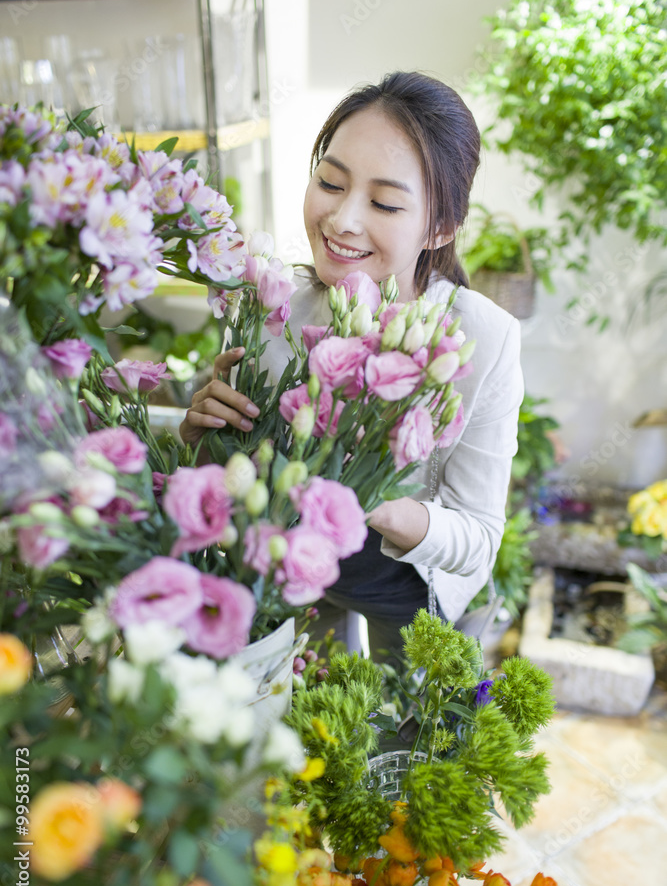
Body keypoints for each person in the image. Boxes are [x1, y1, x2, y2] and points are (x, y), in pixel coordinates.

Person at [180, 71, 524, 666]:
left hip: (409, 583)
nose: (341, 219)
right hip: (289, 567)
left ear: (440, 226)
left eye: (384, 202)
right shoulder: (269, 301)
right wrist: (196, 434)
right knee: (305, 725)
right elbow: (229, 479)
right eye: (330, 183)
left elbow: (478, 539)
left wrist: (369, 502)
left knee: (403, 740)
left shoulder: (481, 340)